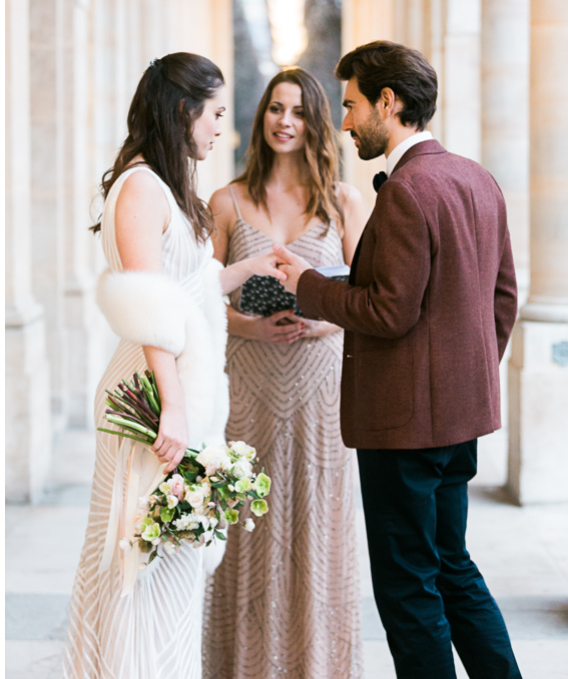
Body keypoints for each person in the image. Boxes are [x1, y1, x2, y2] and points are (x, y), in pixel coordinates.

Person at [278, 40, 521, 679]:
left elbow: (390, 312)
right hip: (457, 423)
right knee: (452, 567)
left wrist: (309, 284)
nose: (346, 121)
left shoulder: (409, 189)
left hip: (402, 428)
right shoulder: (478, 178)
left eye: (353, 104)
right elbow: (503, 298)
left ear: (390, 101)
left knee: (409, 589)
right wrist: (467, 382)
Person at [62, 53, 286, 678]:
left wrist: (249, 268)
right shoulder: (139, 188)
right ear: (183, 109)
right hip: (152, 396)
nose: (222, 129)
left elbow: (184, 288)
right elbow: (148, 307)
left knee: (177, 561)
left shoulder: (164, 187)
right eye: (215, 113)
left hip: (180, 391)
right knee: (142, 559)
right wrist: (176, 405)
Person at [202, 67, 367, 677]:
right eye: (275, 108)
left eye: (297, 111)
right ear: (261, 116)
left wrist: (324, 320)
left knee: (317, 529)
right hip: (247, 384)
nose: (285, 121)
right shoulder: (228, 201)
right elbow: (196, 297)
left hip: (323, 387)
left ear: (315, 120)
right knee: (246, 525)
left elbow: (375, 296)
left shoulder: (344, 201)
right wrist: (245, 325)